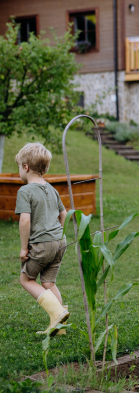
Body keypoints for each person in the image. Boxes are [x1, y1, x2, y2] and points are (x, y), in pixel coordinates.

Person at [15, 143, 69, 336]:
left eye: (19, 167)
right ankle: (59, 327)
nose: (19, 171)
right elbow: (64, 214)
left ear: (26, 167)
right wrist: (58, 234)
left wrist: (23, 249)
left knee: (26, 279)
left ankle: (57, 312)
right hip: (59, 242)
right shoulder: (52, 189)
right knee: (49, 283)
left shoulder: (25, 191)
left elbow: (25, 221)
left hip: (41, 245)